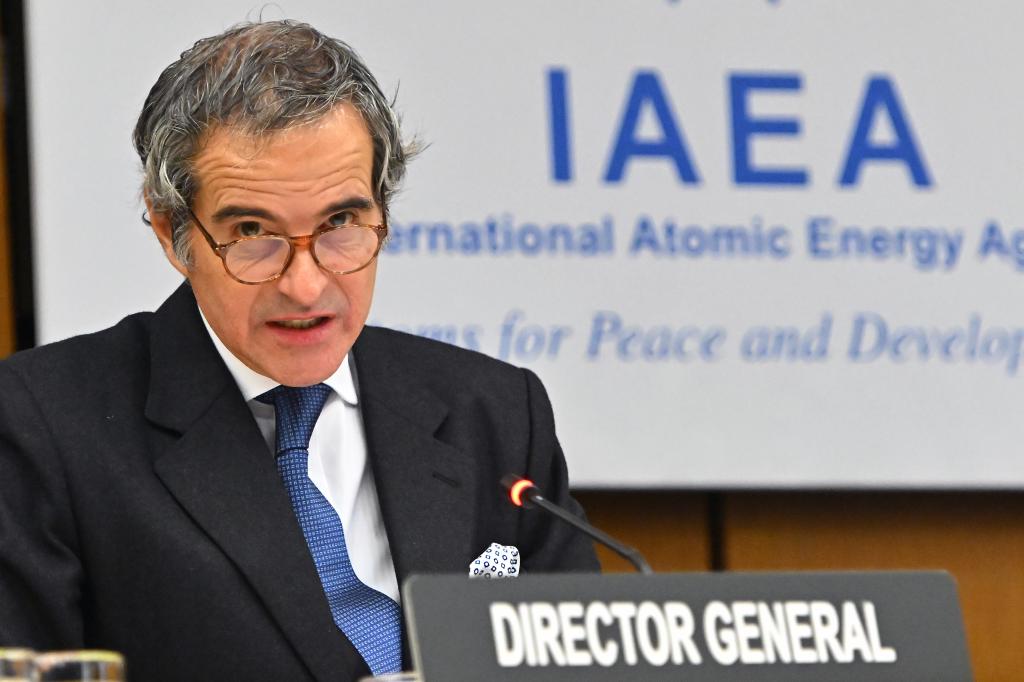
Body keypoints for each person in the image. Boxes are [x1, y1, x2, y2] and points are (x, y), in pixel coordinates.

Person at [0, 20, 598, 681]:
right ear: (172, 233)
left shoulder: (496, 414)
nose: (306, 285)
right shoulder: (41, 427)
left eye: (340, 222)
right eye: (253, 232)